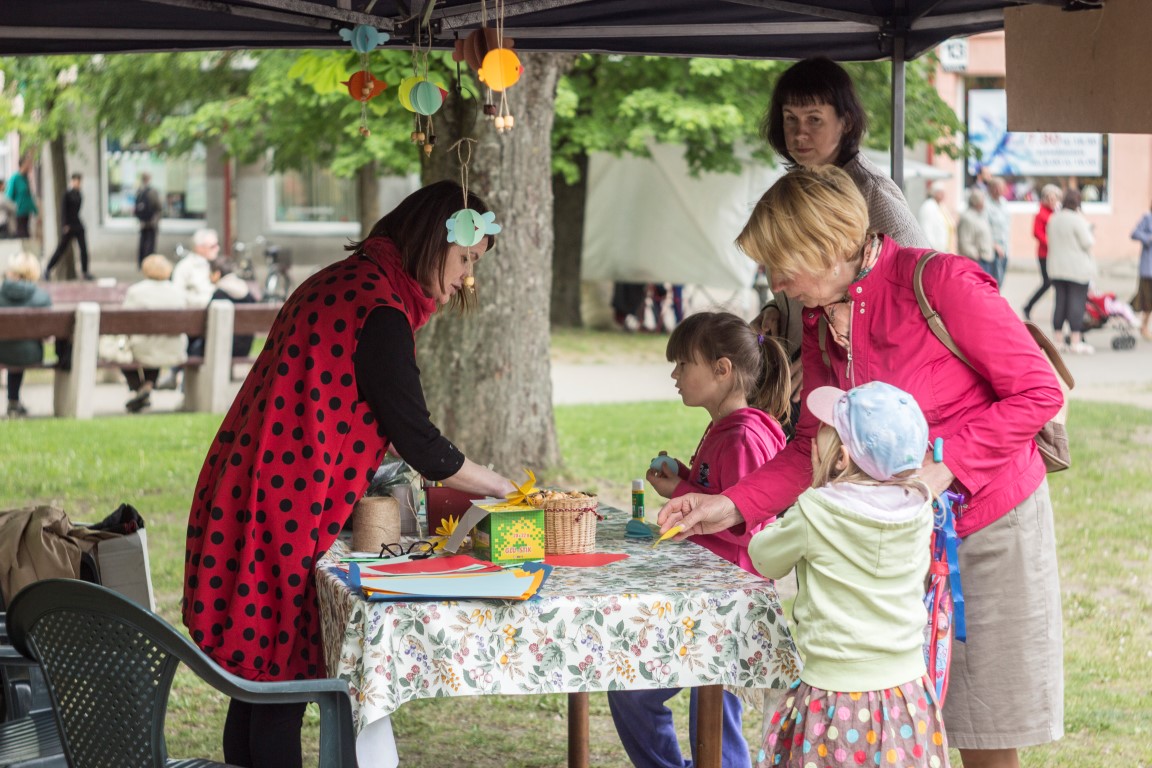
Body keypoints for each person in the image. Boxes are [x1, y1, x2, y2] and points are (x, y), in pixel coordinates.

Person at [660, 165, 1064, 768]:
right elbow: (808, 447)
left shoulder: (941, 282)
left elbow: (1038, 392)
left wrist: (946, 467)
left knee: (982, 723)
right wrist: (727, 504)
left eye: (780, 265)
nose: (775, 283)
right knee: (902, 722)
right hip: (897, 538)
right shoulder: (821, 319)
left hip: (987, 525)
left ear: (825, 245)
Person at [182, 180, 517, 768]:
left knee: (257, 685)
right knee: (281, 686)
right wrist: (500, 486)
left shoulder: (341, 281)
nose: (467, 277)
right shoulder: (380, 311)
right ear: (431, 240)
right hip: (287, 504)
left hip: (251, 487)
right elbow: (420, 441)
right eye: (465, 258)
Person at [608, 311, 792, 768]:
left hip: (727, 602)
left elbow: (749, 525)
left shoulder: (744, 435)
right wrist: (686, 480)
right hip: (705, 596)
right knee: (646, 696)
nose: (675, 375)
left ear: (721, 369)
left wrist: (682, 492)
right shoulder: (727, 427)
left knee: (701, 711)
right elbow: (720, 492)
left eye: (683, 364)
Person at [750, 382, 946, 768]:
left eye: (825, 429)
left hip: (833, 696)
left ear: (840, 458)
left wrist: (804, 504)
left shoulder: (815, 512)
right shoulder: (920, 508)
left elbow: (764, 558)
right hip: (906, 693)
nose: (814, 435)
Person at [755, 56, 930, 425]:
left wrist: (831, 357)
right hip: (799, 376)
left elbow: (917, 290)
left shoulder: (873, 194)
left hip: (850, 392)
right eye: (790, 119)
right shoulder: (799, 188)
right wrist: (777, 308)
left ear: (846, 122)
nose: (799, 133)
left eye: (814, 119)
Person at [120, 254, 188, 413]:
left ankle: (139, 388)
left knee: (125, 353)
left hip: (144, 347)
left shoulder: (136, 291)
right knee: (156, 346)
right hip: (172, 346)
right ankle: (148, 386)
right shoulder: (177, 291)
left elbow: (124, 321)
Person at [0, 253, 51, 418]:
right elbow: (47, 333)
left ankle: (13, 401)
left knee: (11, 346)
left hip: (2, 351)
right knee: (20, 347)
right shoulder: (42, 297)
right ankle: (14, 402)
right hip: (29, 354)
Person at [1046, 188, 1096, 355]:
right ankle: (1075, 341)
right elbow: (1088, 242)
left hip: (1056, 267)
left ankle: (1058, 341)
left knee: (1060, 302)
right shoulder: (1077, 220)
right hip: (1076, 269)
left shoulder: (1053, 219)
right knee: (1076, 304)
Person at [1022, 184, 1062, 321]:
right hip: (1045, 254)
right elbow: (1037, 233)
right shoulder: (1041, 214)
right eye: (1049, 198)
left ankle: (1060, 313)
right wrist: (1050, 243)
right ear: (1044, 199)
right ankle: (1028, 306)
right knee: (1047, 283)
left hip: (1056, 254)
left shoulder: (1056, 213)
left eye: (1054, 199)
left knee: (1056, 284)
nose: (1052, 201)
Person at [44, 173, 92, 281]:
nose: (78, 184)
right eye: (76, 181)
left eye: (79, 182)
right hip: (69, 226)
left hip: (78, 225)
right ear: (72, 181)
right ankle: (47, 269)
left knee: (83, 249)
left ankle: (85, 272)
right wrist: (65, 225)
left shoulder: (79, 194)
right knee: (61, 249)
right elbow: (63, 211)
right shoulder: (66, 194)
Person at [209, 258, 258, 357]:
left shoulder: (219, 294)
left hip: (222, 347)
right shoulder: (247, 292)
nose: (208, 276)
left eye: (210, 273)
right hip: (245, 347)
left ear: (217, 274)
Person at [956, 187, 994, 275]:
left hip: (986, 258)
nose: (984, 203)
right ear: (976, 202)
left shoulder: (980, 215)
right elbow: (964, 242)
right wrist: (976, 255)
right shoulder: (967, 217)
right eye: (983, 200)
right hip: (977, 260)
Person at [1129, 200, 1152, 340]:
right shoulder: (1148, 218)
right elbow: (1134, 233)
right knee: (1146, 300)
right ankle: (1142, 326)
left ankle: (1141, 325)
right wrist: (1148, 238)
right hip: (1149, 268)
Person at [985, 177, 1010, 288]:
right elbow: (985, 228)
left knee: (1000, 281)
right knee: (994, 282)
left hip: (1005, 248)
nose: (999, 190)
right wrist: (995, 245)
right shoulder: (986, 204)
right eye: (996, 188)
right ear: (991, 189)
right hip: (993, 249)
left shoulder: (1004, 203)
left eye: (1001, 188)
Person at [917, 180, 954, 253]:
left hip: (944, 250)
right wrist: (934, 249)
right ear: (934, 193)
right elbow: (926, 230)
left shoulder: (942, 206)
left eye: (943, 193)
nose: (943, 195)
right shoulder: (928, 207)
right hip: (934, 250)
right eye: (940, 192)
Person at [6, 155, 38, 239]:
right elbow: (8, 197)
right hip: (18, 213)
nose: (30, 165)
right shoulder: (15, 178)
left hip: (26, 213)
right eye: (28, 163)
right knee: (21, 235)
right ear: (23, 164)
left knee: (27, 235)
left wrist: (35, 210)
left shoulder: (26, 179)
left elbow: (29, 196)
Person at [135, 173, 162, 267]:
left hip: (143, 223)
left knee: (143, 243)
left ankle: (141, 263)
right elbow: (158, 207)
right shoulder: (152, 192)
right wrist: (156, 220)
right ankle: (149, 265)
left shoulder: (139, 191)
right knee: (150, 245)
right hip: (151, 223)